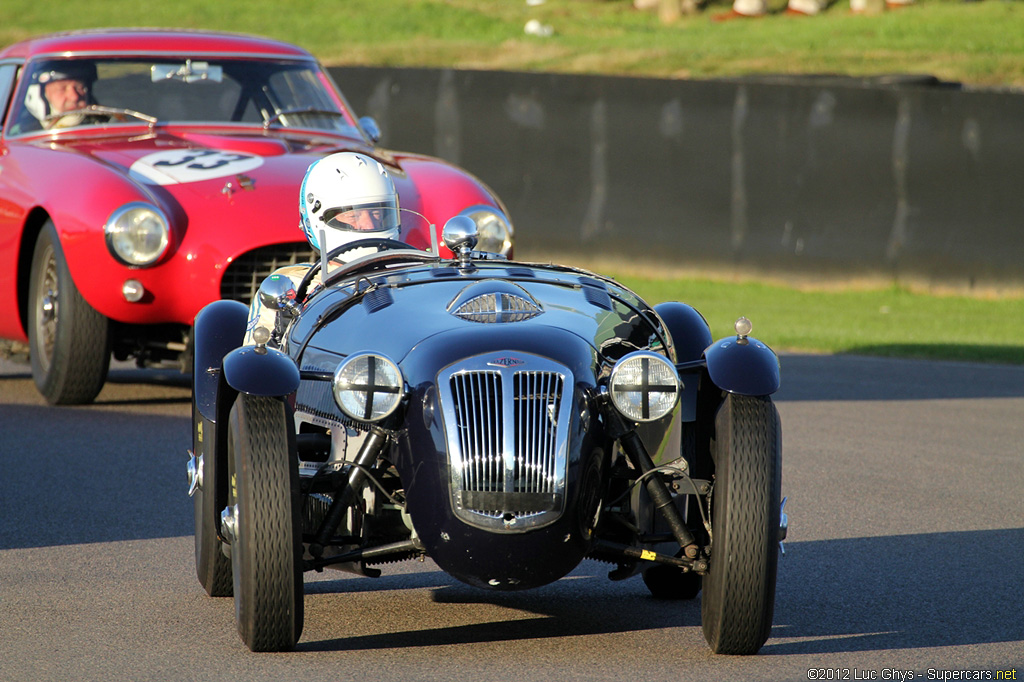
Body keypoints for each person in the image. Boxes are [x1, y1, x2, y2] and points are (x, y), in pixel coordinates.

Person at [243, 151, 403, 345]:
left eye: (377, 212)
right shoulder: (290, 286)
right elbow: (260, 365)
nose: (369, 225)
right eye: (353, 215)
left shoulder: (412, 275)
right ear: (318, 217)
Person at [23, 61, 97, 129]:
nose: (74, 97)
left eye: (79, 87)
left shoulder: (103, 125)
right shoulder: (21, 135)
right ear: (39, 93)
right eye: (62, 89)